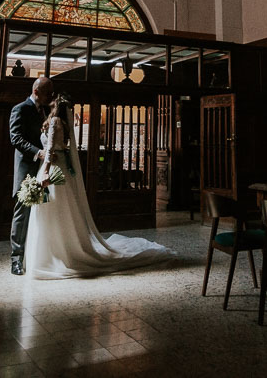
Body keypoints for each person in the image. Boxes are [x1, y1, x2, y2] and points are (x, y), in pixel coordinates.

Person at [25, 97, 174, 279]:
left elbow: (49, 149)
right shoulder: (61, 122)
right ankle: (59, 248)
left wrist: (46, 171)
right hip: (59, 164)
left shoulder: (55, 121)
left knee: (54, 208)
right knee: (60, 208)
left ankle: (54, 252)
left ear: (55, 106)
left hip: (53, 166)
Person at [9, 76, 53, 275]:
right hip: (27, 167)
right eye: (47, 93)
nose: (50, 97)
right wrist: (38, 152)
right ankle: (16, 259)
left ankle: (37, 254)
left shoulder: (45, 111)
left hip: (43, 169)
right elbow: (15, 138)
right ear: (36, 91)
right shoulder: (20, 109)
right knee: (22, 211)